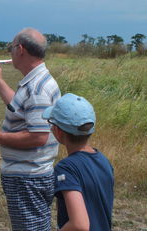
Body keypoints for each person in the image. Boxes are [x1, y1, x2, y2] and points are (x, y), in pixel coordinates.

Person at [0, 27, 61, 230]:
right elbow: (19, 107)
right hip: (30, 175)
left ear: (20, 49)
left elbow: (38, 137)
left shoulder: (37, 88)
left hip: (28, 178)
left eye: (10, 47)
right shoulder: (36, 81)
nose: (10, 52)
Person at [42, 93, 114, 231]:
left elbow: (79, 224)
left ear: (58, 131)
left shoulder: (66, 168)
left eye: (51, 124)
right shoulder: (104, 161)